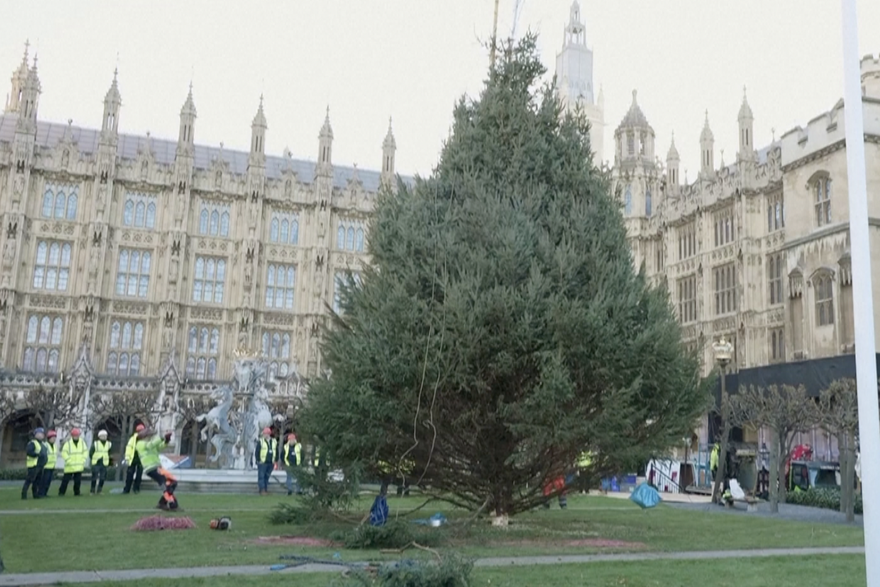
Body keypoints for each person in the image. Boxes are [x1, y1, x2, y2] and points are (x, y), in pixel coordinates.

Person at [136, 427, 179, 510]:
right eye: (150, 436)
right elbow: (150, 445)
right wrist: (162, 437)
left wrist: (166, 440)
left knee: (171, 482)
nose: (151, 437)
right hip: (150, 468)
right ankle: (172, 504)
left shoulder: (148, 443)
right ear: (145, 436)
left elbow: (159, 447)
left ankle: (163, 503)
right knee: (167, 484)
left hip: (156, 467)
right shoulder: (140, 444)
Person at [59, 428, 87, 496]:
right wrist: (68, 460)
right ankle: (61, 492)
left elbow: (85, 452)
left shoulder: (82, 443)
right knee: (65, 481)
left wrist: (83, 460)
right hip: (70, 466)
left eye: (77, 435)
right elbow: (64, 453)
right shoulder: (68, 444)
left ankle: (77, 492)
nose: (76, 436)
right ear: (72, 436)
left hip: (79, 466)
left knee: (78, 481)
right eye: (75, 435)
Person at [22, 427, 47, 500]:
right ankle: (24, 494)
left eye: (42, 434)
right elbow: (29, 452)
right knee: (29, 480)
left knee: (37, 481)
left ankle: (35, 494)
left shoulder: (43, 444)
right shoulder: (32, 443)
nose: (40, 435)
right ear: (35, 434)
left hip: (40, 465)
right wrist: (37, 454)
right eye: (39, 434)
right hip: (33, 465)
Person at [123, 424, 145, 494]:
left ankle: (136, 489)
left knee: (139, 476)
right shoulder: (132, 439)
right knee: (129, 475)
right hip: (132, 459)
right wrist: (127, 458)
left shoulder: (145, 439)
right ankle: (127, 489)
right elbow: (128, 448)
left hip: (141, 459)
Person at [255, 427, 277, 495]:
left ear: (269, 434)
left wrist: (275, 460)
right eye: (264, 434)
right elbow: (257, 452)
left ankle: (265, 490)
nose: (265, 435)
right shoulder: (260, 442)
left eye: (266, 434)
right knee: (261, 476)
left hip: (271, 462)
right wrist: (258, 460)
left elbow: (276, 451)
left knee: (266, 477)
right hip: (262, 462)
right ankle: (262, 490)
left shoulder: (274, 442)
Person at [89, 430, 112, 495]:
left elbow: (109, 453)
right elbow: (91, 453)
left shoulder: (109, 444)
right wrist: (94, 459)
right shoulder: (95, 444)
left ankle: (99, 490)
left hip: (104, 463)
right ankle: (92, 490)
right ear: (99, 436)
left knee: (102, 477)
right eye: (103, 436)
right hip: (96, 463)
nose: (104, 437)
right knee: (94, 477)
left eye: (105, 436)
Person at [38, 430, 58, 497]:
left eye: (55, 438)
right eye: (53, 438)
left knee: (48, 481)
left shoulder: (55, 446)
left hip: (51, 466)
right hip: (45, 466)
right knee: (44, 481)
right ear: (49, 438)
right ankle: (41, 493)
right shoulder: (45, 445)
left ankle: (45, 493)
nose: (54, 439)